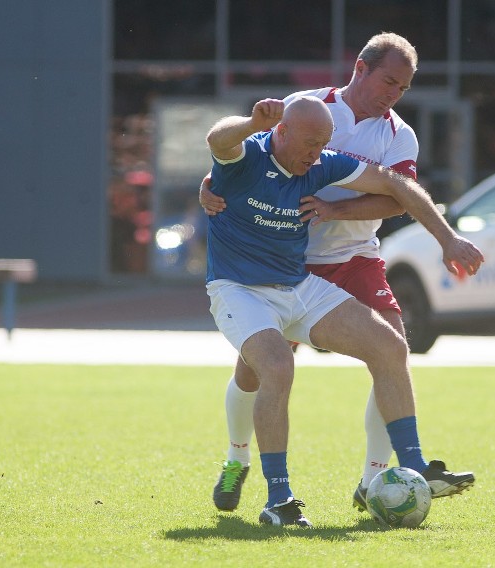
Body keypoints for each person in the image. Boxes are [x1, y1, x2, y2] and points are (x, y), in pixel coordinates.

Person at [200, 33, 474, 516]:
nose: (394, 93)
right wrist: (212, 183)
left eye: (403, 87)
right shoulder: (299, 109)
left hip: (346, 258)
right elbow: (230, 151)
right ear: (361, 69)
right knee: (263, 370)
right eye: (389, 80)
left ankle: (390, 474)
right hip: (281, 263)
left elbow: (398, 191)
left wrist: (446, 238)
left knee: (392, 348)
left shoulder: (389, 137)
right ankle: (238, 461)